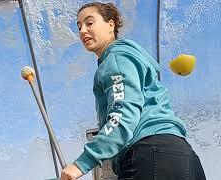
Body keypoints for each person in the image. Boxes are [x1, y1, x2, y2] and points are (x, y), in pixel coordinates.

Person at [61, 2, 206, 180]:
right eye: (79, 26)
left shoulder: (116, 59)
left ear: (111, 25)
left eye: (89, 23)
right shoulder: (128, 57)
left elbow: (122, 115)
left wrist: (81, 164)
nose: (82, 30)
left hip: (150, 156)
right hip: (185, 158)